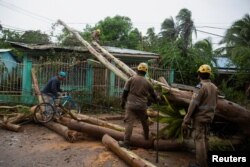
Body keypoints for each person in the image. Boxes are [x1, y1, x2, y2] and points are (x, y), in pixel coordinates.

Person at [182, 64, 218, 167]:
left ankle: (200, 164)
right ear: (209, 75)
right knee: (205, 138)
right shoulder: (214, 87)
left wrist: (187, 118)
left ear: (199, 75)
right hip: (209, 117)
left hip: (200, 118)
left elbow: (193, 104)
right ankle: (206, 160)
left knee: (199, 139)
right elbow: (216, 103)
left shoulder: (200, 87)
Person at [118, 62, 158, 149]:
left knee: (129, 124)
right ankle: (147, 138)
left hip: (130, 105)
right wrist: (156, 101)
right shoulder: (148, 82)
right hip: (142, 106)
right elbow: (154, 95)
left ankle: (126, 143)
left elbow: (125, 92)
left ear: (137, 70)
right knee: (144, 122)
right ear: (146, 71)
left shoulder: (131, 79)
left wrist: (122, 102)